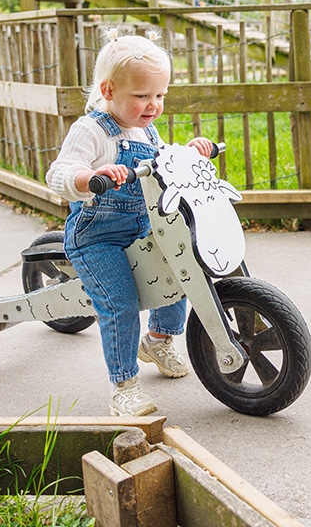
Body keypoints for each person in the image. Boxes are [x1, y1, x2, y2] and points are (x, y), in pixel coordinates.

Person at [47, 29, 215, 417]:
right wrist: (87, 178)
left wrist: (189, 154)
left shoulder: (145, 128)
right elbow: (58, 173)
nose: (152, 105)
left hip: (142, 226)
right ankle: (124, 385)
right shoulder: (90, 130)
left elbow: (162, 165)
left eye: (159, 96)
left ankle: (157, 339)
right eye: (141, 96)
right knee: (119, 304)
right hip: (97, 238)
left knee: (181, 271)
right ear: (108, 89)